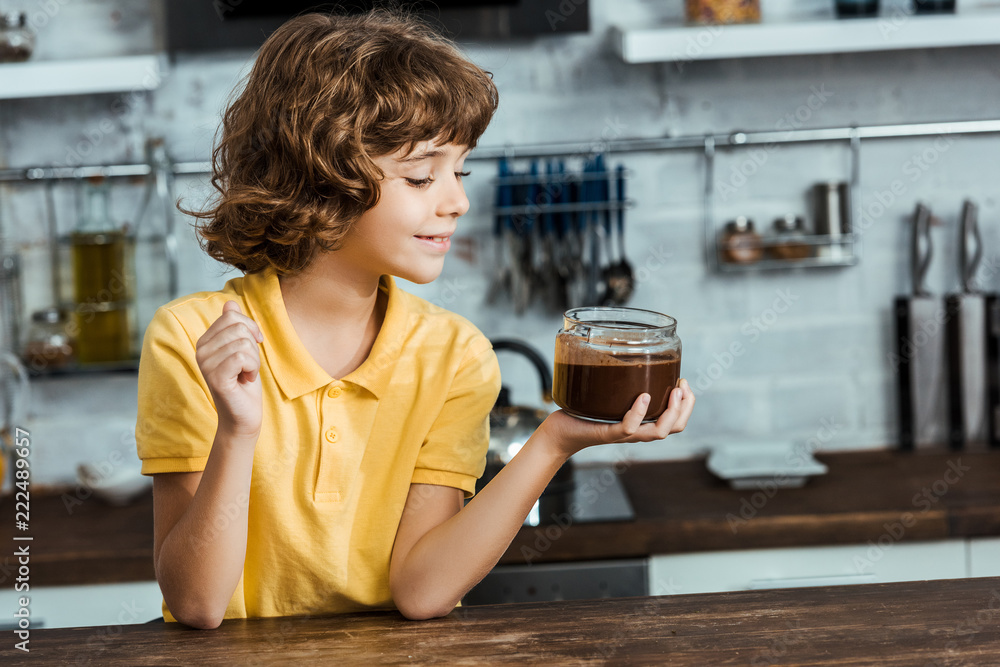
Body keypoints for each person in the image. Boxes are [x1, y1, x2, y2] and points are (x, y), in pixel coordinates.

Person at [135, 10, 695, 630]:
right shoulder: (194, 340)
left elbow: (421, 592)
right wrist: (236, 433)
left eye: (460, 171)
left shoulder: (454, 356)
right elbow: (196, 604)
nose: (456, 201)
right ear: (319, 180)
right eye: (422, 175)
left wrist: (556, 439)